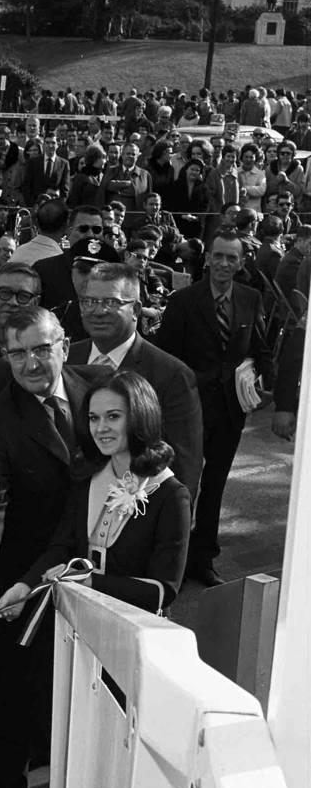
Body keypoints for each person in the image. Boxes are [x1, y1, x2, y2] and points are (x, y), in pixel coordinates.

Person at [0, 307, 107, 788]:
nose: (28, 363)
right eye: (15, 353)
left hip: (99, 580)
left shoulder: (102, 392)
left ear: (63, 346)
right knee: (14, 719)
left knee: (97, 711)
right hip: (23, 590)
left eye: (39, 349)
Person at [0, 372, 191, 624]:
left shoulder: (171, 495)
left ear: (140, 417)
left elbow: (163, 591)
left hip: (135, 630)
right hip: (80, 623)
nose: (101, 428)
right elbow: (61, 547)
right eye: (93, 418)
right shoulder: (87, 477)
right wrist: (24, 587)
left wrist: (90, 582)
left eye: (113, 416)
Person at [155, 231, 272, 586]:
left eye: (231, 258)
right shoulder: (183, 301)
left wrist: (266, 383)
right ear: (207, 259)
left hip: (229, 410)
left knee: (216, 485)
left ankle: (203, 557)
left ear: (241, 263)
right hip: (187, 410)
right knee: (180, 483)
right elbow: (166, 358)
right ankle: (170, 557)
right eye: (218, 256)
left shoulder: (251, 299)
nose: (224, 264)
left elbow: (261, 347)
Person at [66, 262, 202, 500]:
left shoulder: (171, 375)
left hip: (137, 515)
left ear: (137, 310)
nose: (98, 311)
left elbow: (184, 465)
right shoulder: (65, 360)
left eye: (111, 302)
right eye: (89, 302)